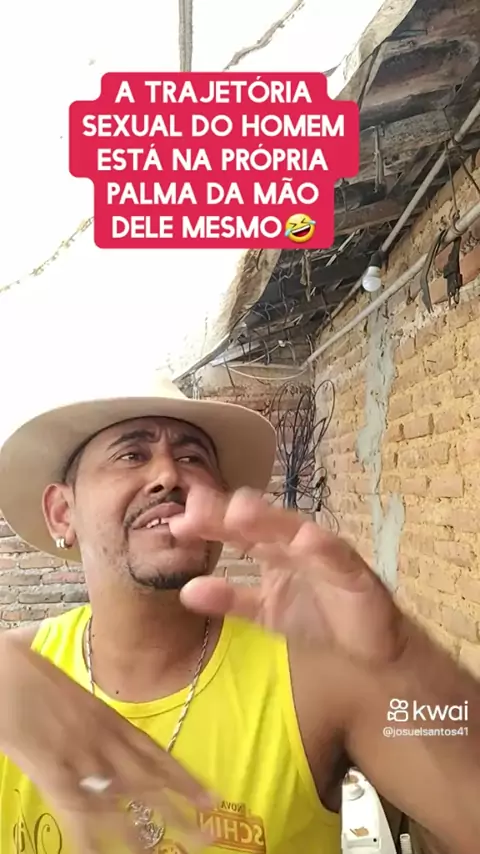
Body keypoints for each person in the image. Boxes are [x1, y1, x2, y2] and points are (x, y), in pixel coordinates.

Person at [0, 373, 477, 854]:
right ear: (62, 512)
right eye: (132, 455)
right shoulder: (15, 685)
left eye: (192, 457)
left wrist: (405, 658)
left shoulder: (312, 675)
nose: (168, 475)